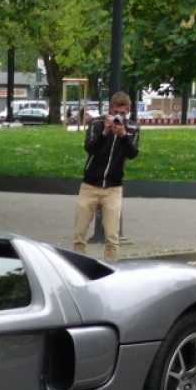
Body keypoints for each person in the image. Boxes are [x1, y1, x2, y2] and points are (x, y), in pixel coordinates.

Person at [71, 91, 140, 262]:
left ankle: (111, 269)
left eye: (123, 113)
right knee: (79, 233)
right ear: (111, 109)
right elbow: (90, 148)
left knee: (111, 237)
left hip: (113, 188)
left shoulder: (132, 128)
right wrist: (105, 133)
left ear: (128, 111)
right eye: (116, 112)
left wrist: (123, 135)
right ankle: (78, 266)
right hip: (90, 186)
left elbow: (132, 153)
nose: (119, 117)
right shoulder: (97, 123)